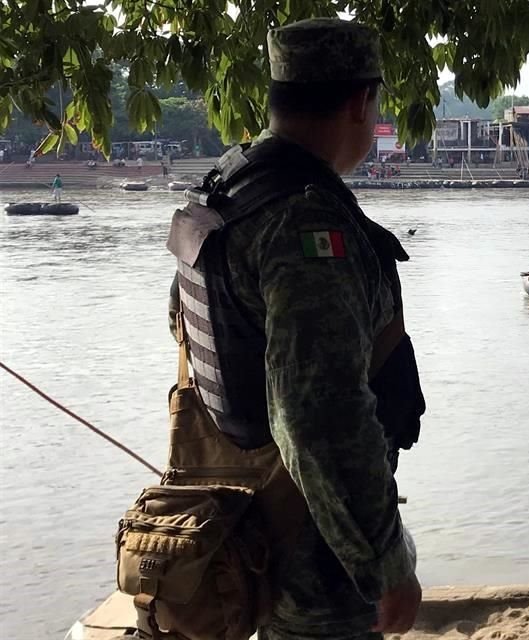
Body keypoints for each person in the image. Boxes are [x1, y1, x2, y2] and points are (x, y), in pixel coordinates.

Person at [165, 18, 424, 639]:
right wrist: (384, 562)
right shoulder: (308, 228)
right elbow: (316, 416)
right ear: (361, 102)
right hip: (309, 546)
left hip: (238, 509)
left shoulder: (232, 186)